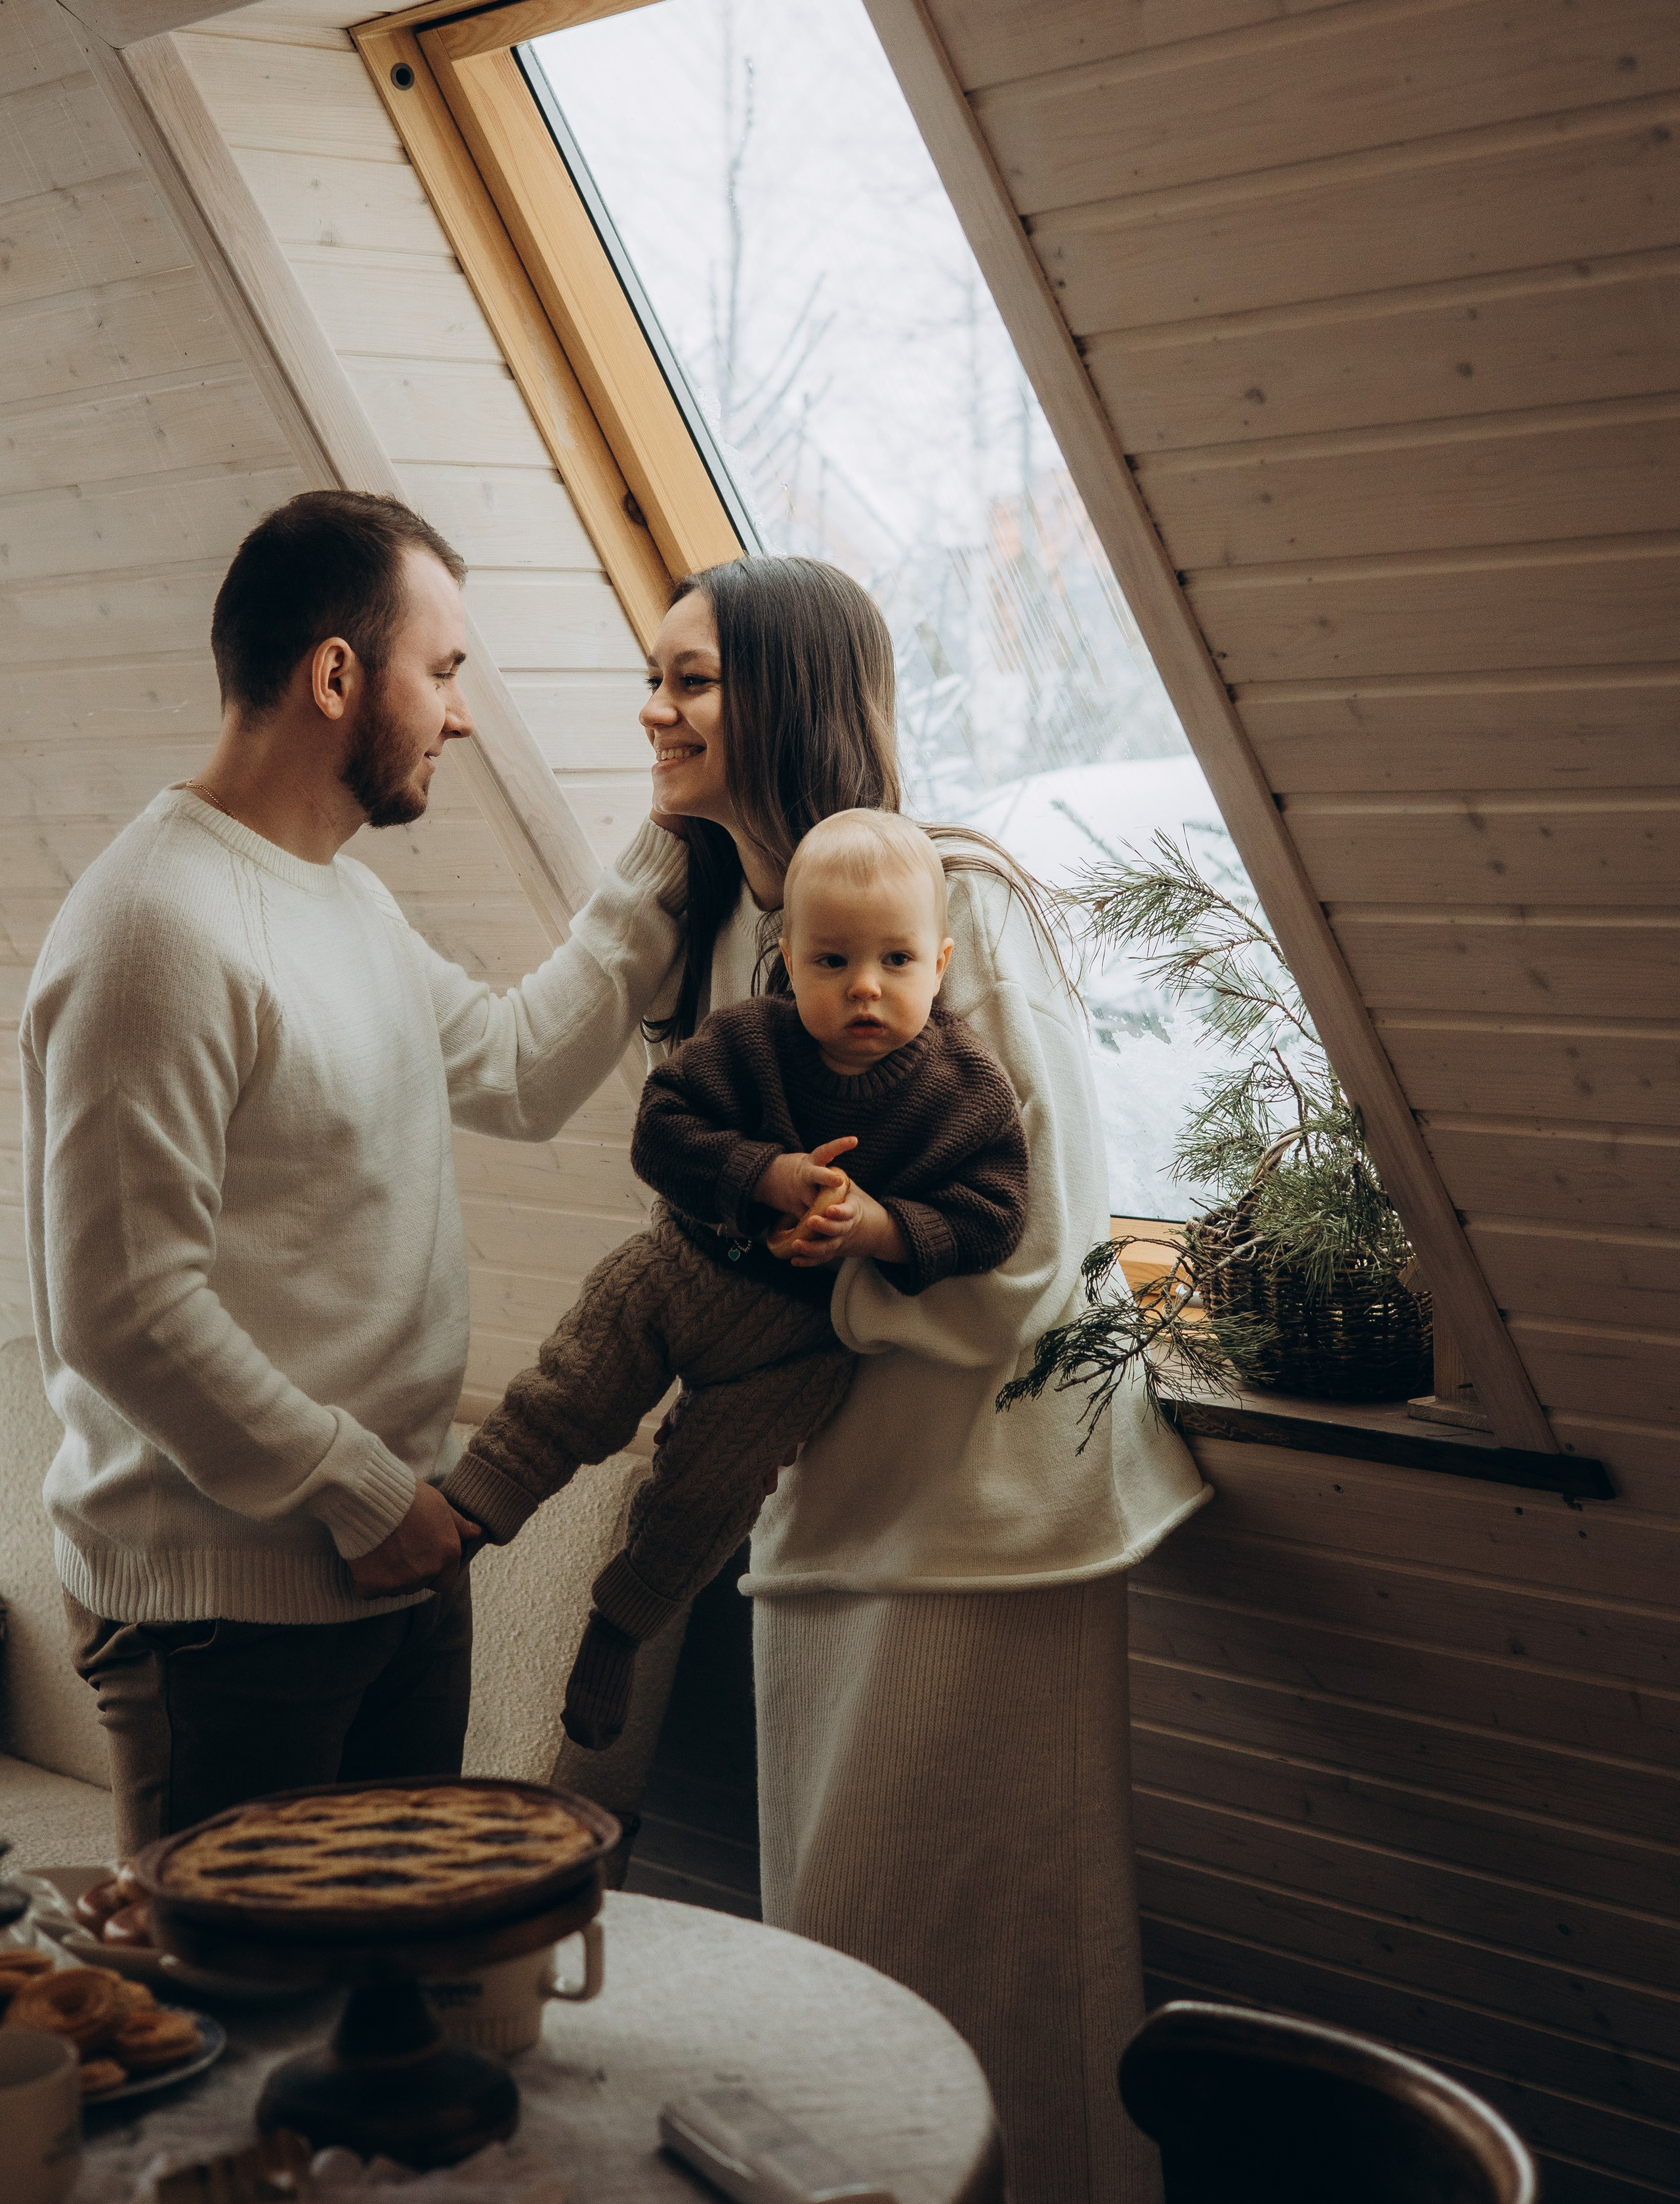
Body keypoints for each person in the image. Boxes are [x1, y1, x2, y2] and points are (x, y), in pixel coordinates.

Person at [619, 552, 1211, 2204]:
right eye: (651, 676)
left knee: (997, 1971)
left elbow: (1046, 1244)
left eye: (690, 680)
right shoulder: (742, 938)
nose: (651, 710)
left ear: (789, 695)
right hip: (824, 1513)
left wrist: (828, 1292)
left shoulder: (965, 908)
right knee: (840, 1969)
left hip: (988, 1522)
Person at [20, 489, 690, 1855]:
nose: (460, 714)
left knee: (398, 2003)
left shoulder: (344, 900)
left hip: (391, 1566)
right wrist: (364, 1491)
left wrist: (670, 844)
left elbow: (515, 1066)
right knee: (249, 2029)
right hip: (229, 1613)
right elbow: (124, 1307)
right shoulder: (154, 930)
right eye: (442, 671)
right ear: (336, 673)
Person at [442, 811, 1029, 1754]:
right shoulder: (749, 1039)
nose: (866, 988)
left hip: (795, 1349)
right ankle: (468, 1516)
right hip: (680, 1271)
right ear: (790, 957)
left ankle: (620, 1625)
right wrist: (765, 1175)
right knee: (569, 1389)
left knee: (701, 1502)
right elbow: (661, 1131)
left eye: (897, 961)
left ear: (941, 961)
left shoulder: (963, 1090)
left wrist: (879, 1228)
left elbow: (994, 1215)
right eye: (833, 962)